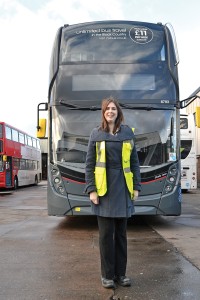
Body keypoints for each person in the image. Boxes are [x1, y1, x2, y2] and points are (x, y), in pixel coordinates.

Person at [85, 96, 141, 289]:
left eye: (114, 109)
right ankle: (107, 275)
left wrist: (136, 187)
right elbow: (89, 164)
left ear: (118, 112)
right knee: (106, 236)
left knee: (122, 236)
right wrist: (91, 189)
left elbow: (134, 163)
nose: (110, 111)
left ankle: (121, 274)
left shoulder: (128, 133)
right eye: (107, 109)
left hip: (123, 189)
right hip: (103, 190)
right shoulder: (95, 133)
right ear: (103, 112)